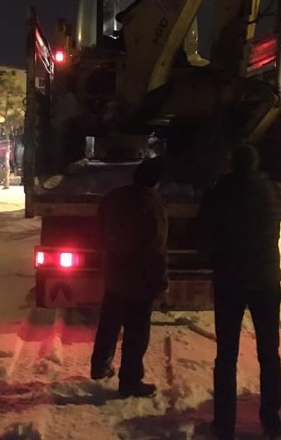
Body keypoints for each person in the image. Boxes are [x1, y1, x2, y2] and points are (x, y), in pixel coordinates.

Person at [197, 144, 281, 440]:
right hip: (266, 280)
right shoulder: (272, 191)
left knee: (226, 355)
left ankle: (224, 425)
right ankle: (272, 423)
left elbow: (203, 230)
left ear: (232, 164)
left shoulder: (220, 193)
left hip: (230, 281)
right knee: (269, 354)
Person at [90, 156, 168, 398]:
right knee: (136, 332)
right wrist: (161, 281)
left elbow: (99, 229)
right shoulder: (153, 205)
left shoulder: (113, 197)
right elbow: (156, 247)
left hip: (114, 272)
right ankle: (130, 381)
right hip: (140, 278)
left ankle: (100, 365)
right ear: (156, 182)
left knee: (109, 322)